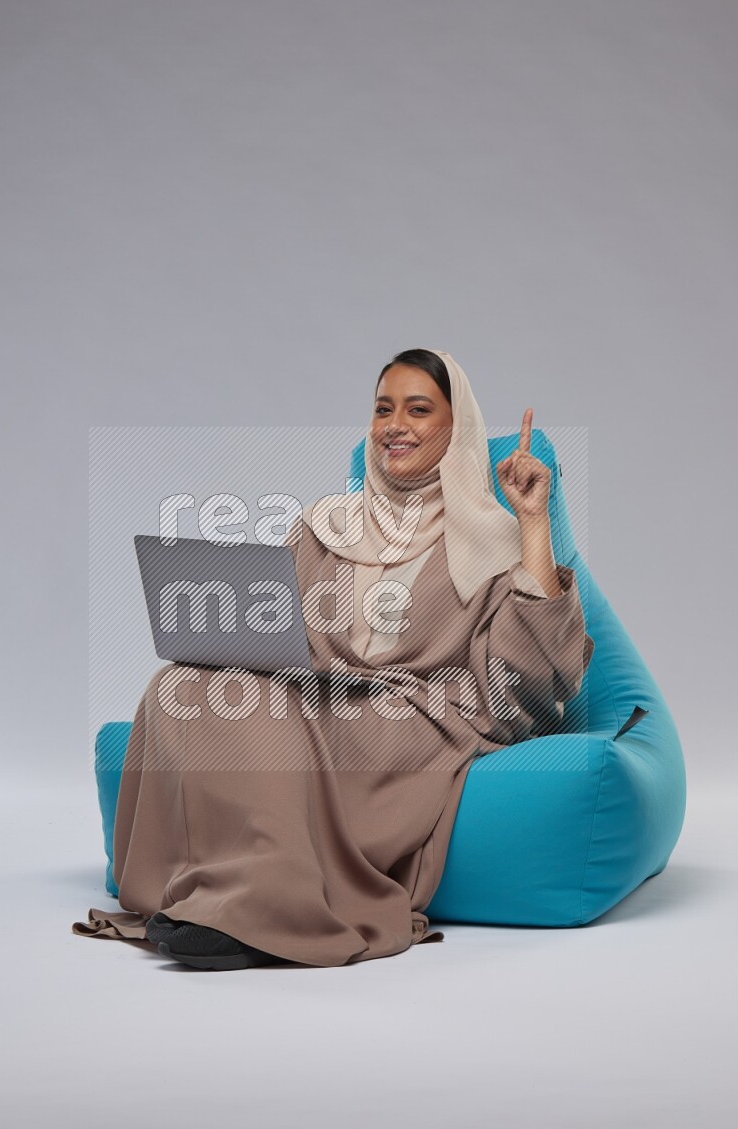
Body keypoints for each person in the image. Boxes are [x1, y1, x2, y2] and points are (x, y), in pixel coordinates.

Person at [72, 348, 594, 969]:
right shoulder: (326, 522)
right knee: (178, 686)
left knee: (256, 713)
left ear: (458, 431)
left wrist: (532, 521)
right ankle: (206, 892)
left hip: (421, 712)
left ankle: (265, 911)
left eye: (418, 409)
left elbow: (535, 682)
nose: (395, 424)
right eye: (383, 409)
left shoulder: (496, 537)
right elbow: (276, 628)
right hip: (323, 691)